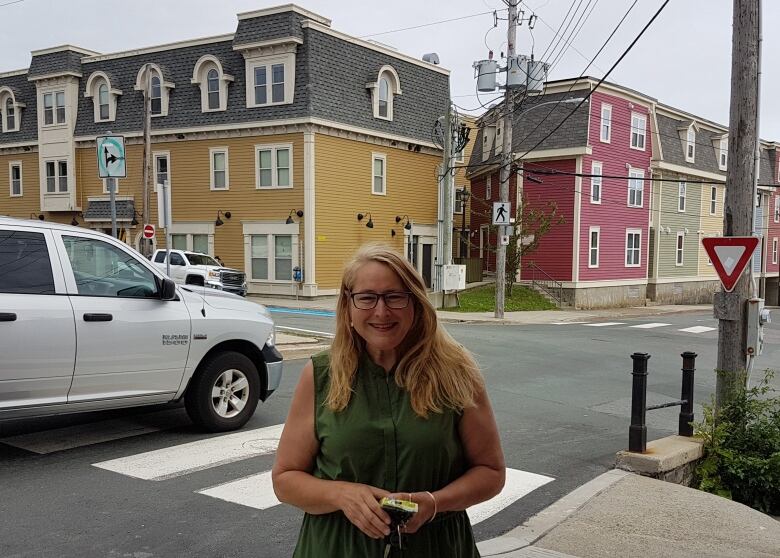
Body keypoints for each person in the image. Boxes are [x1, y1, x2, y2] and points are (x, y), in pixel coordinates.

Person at [272, 244, 505, 557]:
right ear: (349, 307)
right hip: (338, 547)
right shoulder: (321, 375)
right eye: (367, 297)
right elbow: (285, 479)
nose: (381, 311)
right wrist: (342, 495)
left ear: (415, 303)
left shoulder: (456, 372)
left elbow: (491, 472)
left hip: (435, 547)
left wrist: (434, 503)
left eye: (395, 296)